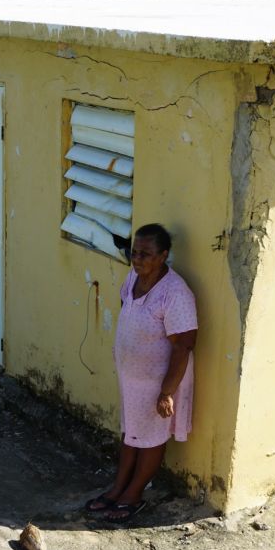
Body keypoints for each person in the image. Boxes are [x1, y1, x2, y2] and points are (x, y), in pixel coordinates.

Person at [85, 223, 198, 523]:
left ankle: (133, 495)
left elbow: (184, 345)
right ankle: (117, 489)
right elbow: (127, 307)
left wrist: (166, 392)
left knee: (150, 438)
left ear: (163, 256)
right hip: (133, 379)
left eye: (146, 254)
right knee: (131, 434)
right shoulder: (134, 276)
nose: (137, 259)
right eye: (135, 252)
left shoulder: (175, 293)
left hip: (159, 383)